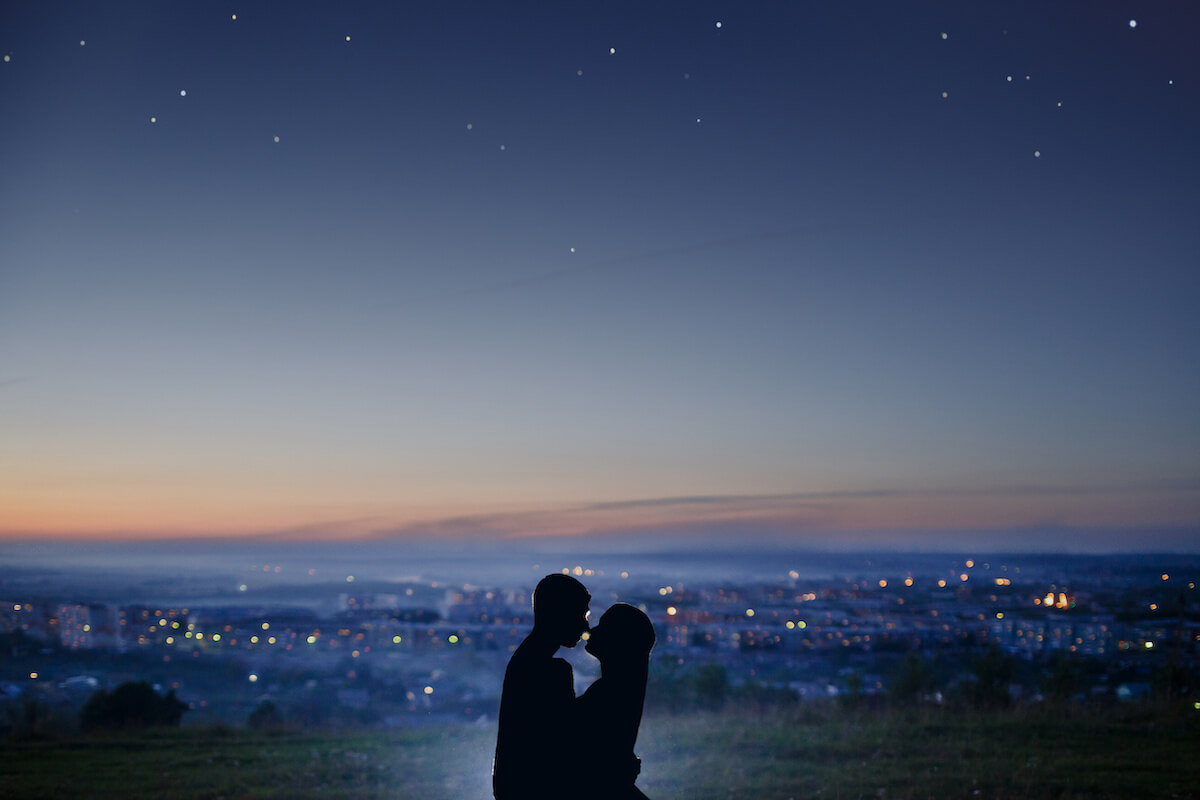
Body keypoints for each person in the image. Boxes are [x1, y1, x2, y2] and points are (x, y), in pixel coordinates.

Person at [493, 573, 592, 800]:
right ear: (559, 613)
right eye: (581, 614)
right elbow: (566, 742)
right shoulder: (552, 670)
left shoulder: (524, 660)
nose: (585, 625)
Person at [576, 603, 656, 800]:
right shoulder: (622, 690)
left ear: (619, 641)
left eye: (604, 627)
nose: (592, 631)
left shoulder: (604, 694)